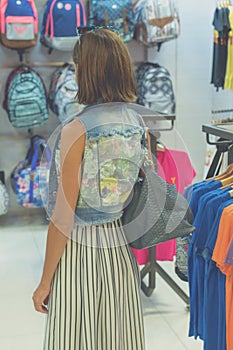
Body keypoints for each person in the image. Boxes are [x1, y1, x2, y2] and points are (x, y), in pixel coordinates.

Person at [32, 26, 146, 350]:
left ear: (89, 71)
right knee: (116, 335)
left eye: (78, 65)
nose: (75, 71)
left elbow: (63, 217)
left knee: (76, 336)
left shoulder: (77, 129)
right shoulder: (137, 124)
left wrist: (44, 282)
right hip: (119, 252)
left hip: (81, 253)